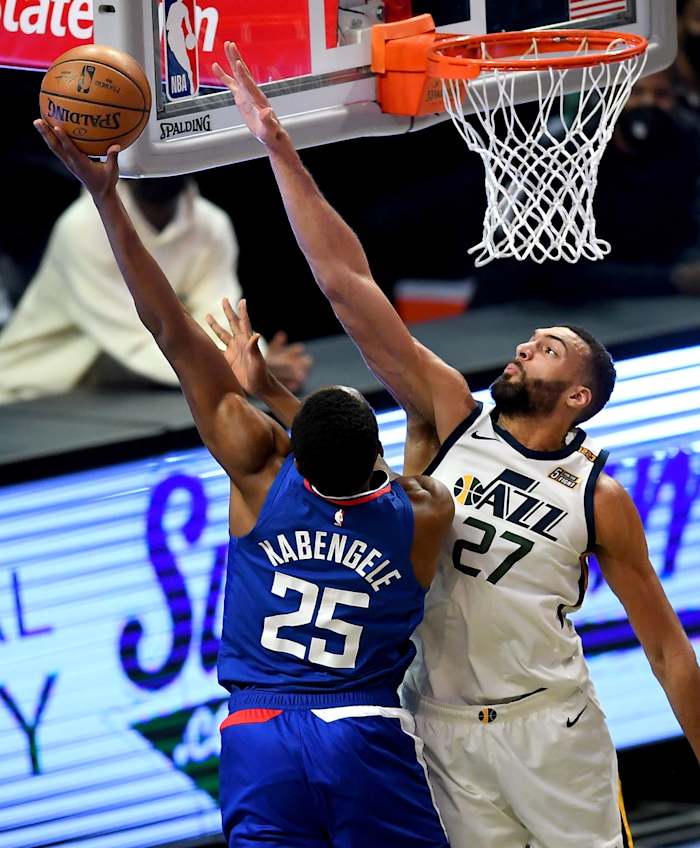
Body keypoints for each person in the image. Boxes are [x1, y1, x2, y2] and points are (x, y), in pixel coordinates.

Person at [213, 42, 700, 848]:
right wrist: (278, 148)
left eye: (547, 349)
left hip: (551, 728)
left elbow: (667, 648)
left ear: (578, 396)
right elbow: (347, 285)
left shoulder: (598, 495)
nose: (523, 347)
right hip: (440, 730)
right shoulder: (448, 418)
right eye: (529, 340)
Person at [33, 118, 455, 848]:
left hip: (259, 730)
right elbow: (377, 475)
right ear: (374, 451)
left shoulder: (261, 475)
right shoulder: (423, 510)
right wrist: (280, 396)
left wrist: (105, 198)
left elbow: (169, 329)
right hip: (364, 726)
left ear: (294, 450)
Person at [0, 175, 311, 402]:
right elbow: (135, 342)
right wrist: (238, 371)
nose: (157, 163)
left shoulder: (211, 224)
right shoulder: (83, 227)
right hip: (33, 390)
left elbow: (217, 319)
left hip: (124, 385)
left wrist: (256, 362)